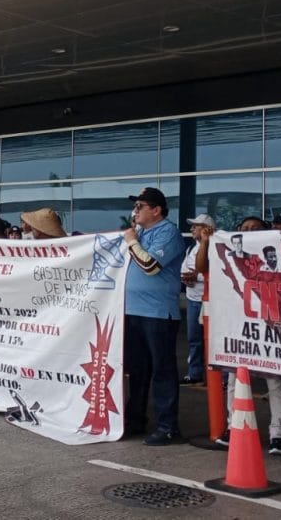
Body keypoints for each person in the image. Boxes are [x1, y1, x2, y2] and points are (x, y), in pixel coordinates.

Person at [210, 215, 281, 455]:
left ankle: (278, 435)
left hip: (271, 328)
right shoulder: (239, 260)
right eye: (244, 228)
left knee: (275, 382)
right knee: (236, 381)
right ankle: (234, 427)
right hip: (241, 327)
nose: (248, 231)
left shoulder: (274, 260)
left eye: (254, 228)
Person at [121, 187, 186, 445]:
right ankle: (135, 418)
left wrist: (131, 241)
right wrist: (133, 238)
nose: (135, 211)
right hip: (133, 310)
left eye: (140, 206)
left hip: (157, 313)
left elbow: (150, 265)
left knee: (162, 370)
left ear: (156, 210)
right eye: (135, 206)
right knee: (137, 370)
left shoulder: (168, 232)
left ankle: (168, 426)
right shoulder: (139, 233)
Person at [179, 213, 214, 385]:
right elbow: (184, 269)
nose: (192, 229)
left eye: (196, 226)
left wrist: (196, 277)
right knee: (194, 339)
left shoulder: (215, 247)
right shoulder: (191, 248)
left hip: (211, 300)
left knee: (214, 339)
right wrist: (186, 278)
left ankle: (221, 378)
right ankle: (194, 373)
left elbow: (216, 272)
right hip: (193, 299)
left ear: (207, 229)